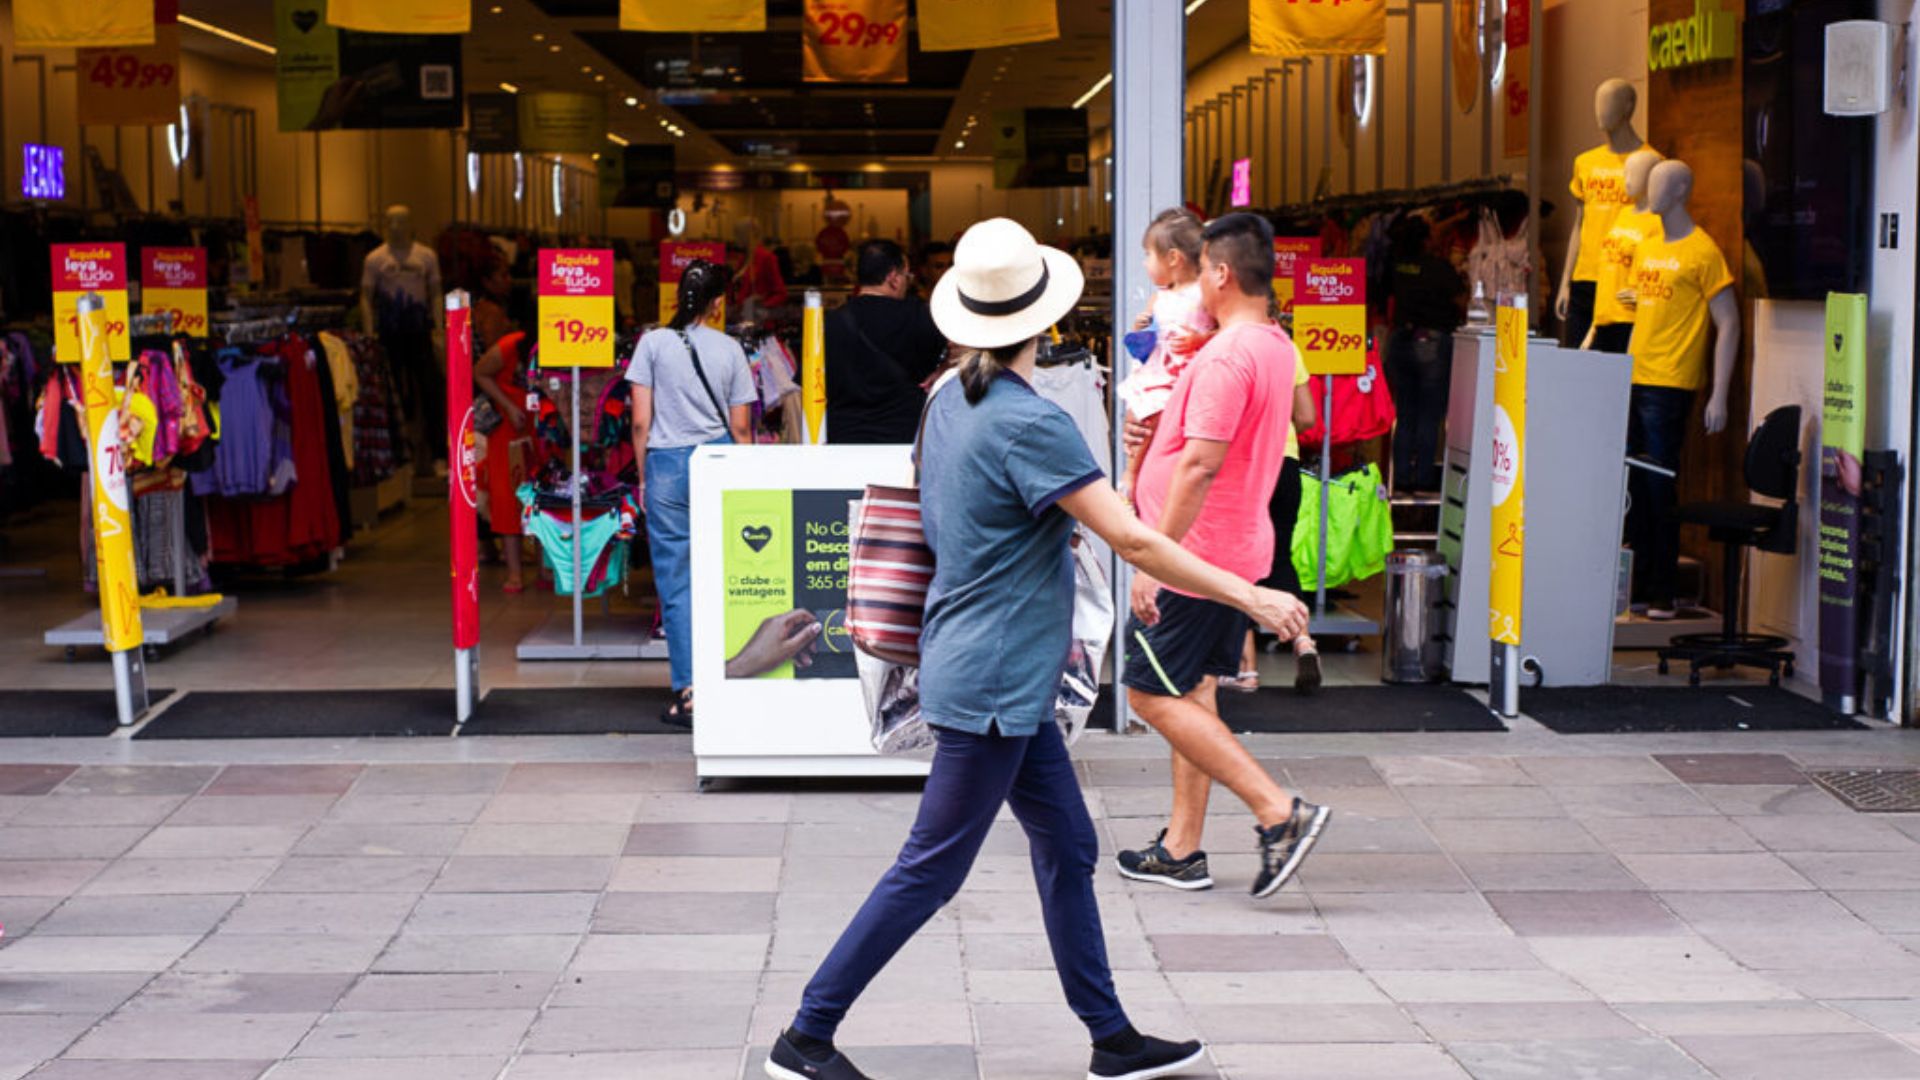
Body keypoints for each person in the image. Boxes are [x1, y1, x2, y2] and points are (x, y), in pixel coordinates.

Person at [763, 217, 1310, 1080]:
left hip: (992, 667)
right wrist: (1250, 593)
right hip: (994, 678)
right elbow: (1132, 540)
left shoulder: (948, 396)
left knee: (1068, 845)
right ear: (1044, 323)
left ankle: (1110, 1036)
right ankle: (806, 1033)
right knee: (932, 868)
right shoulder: (1030, 422)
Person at [1115, 212, 1334, 898]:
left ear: (1221, 274)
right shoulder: (1271, 344)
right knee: (1193, 690)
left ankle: (1278, 813)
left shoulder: (1229, 355)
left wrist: (1153, 559)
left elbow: (1199, 468)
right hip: (1230, 546)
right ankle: (1182, 849)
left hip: (1196, 555)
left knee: (1148, 694)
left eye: (1204, 268)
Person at [626, 261, 756, 727]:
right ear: (719, 303)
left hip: (666, 465)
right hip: (718, 463)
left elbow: (640, 422)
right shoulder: (731, 350)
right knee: (726, 575)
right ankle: (733, 677)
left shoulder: (652, 344)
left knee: (677, 582)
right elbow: (741, 429)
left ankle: (690, 691)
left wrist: (644, 477)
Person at [1224, 351, 1322, 694]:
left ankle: (1246, 669)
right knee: (1279, 557)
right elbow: (1307, 416)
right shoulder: (1287, 351)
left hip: (1246, 465)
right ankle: (1304, 641)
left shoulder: (1228, 347)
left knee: (1236, 563)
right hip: (1286, 464)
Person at [1116, 208, 1216, 498]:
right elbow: (1147, 330)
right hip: (1158, 370)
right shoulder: (1159, 297)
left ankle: (1131, 477)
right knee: (1139, 413)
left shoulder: (1203, 294)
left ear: (1173, 258)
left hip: (1183, 374)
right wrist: (1140, 327)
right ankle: (1131, 472)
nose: (1145, 263)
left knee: (1152, 414)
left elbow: (1222, 332)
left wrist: (1199, 339)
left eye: (1148, 255)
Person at [823, 239, 948, 444]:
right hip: (905, 440)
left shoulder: (831, 322)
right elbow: (959, 351)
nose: (908, 282)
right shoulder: (920, 316)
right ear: (893, 278)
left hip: (844, 441)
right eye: (907, 275)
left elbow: (813, 384)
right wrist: (943, 368)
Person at [1384, 215, 1466, 494]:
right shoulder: (1439, 268)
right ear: (1425, 240)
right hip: (1431, 341)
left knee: (1405, 414)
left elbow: (1384, 298)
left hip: (1401, 340)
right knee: (1430, 416)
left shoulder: (1396, 265)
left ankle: (1402, 478)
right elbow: (1461, 301)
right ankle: (1423, 480)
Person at [473, 329, 538, 593]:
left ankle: (544, 567)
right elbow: (480, 372)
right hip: (508, 429)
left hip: (539, 429)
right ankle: (514, 573)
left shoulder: (561, 344)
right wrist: (508, 407)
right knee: (507, 497)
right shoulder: (511, 345)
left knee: (542, 496)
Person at [471, 257, 514, 353]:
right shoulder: (492, 311)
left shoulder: (481, 305)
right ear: (487, 282)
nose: (510, 280)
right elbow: (492, 352)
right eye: (504, 276)